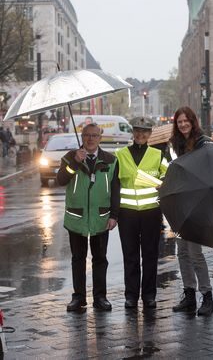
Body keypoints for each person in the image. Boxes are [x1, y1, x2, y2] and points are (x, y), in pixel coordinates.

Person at [57, 123, 120, 312]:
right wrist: (75, 162)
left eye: (94, 135)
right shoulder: (70, 157)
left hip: (101, 217)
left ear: (100, 138)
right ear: (82, 137)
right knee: (78, 258)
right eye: (87, 135)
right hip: (77, 217)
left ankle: (100, 297)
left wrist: (114, 215)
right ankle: (78, 298)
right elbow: (60, 180)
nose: (90, 139)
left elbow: (116, 189)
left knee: (100, 258)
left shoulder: (111, 160)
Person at [116, 117, 168, 309]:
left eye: (145, 131)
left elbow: (169, 174)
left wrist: (162, 180)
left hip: (151, 213)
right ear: (132, 132)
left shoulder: (157, 154)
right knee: (129, 256)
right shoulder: (120, 155)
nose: (140, 134)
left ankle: (149, 295)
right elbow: (114, 184)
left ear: (150, 134)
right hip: (127, 213)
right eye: (137, 130)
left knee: (150, 255)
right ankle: (131, 296)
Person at [170, 106, 213, 316]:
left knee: (195, 252)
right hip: (181, 203)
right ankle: (189, 295)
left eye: (186, 120)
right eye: (179, 122)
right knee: (182, 252)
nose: (183, 124)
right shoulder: (176, 144)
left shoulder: (202, 143)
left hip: (198, 203)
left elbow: (207, 172)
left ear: (193, 121)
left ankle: (207, 296)